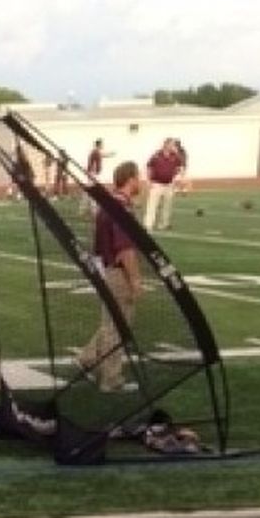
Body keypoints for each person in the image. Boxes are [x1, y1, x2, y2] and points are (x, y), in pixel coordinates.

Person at [77, 161, 143, 392]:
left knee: (112, 322)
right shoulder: (120, 207)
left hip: (107, 267)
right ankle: (111, 379)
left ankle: (87, 358)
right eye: (138, 177)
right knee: (117, 326)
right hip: (117, 271)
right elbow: (124, 248)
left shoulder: (108, 204)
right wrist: (135, 279)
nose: (141, 181)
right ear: (131, 179)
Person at [143, 137, 183, 231]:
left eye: (173, 145)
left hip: (169, 184)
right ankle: (148, 224)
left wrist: (177, 177)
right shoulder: (157, 155)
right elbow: (149, 167)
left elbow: (179, 167)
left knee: (167, 206)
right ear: (166, 145)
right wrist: (148, 181)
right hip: (157, 184)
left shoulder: (175, 156)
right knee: (152, 205)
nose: (173, 146)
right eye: (172, 144)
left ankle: (164, 224)